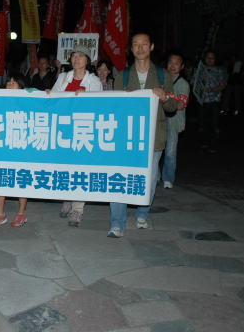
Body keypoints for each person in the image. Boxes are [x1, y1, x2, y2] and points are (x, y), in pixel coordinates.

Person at [109, 32, 177, 238]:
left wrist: (165, 98)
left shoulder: (163, 75)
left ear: (151, 47)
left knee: (150, 178)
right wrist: (123, 100)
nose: (140, 48)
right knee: (119, 177)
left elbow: (172, 107)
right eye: (136, 45)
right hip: (126, 136)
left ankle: (142, 213)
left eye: (144, 44)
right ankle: (117, 223)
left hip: (154, 136)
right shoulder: (123, 76)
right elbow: (113, 107)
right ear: (131, 49)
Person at [51, 43, 103, 227]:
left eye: (81, 56)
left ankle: (78, 209)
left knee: (80, 168)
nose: (76, 58)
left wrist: (86, 95)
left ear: (87, 60)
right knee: (64, 167)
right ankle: (67, 198)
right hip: (64, 129)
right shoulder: (63, 77)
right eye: (74, 55)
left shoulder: (94, 82)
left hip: (83, 130)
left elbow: (99, 106)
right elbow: (53, 100)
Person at [0, 72, 31, 228]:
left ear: (21, 86)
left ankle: (21, 214)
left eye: (14, 82)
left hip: (21, 146)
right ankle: (0, 214)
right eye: (8, 83)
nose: (10, 85)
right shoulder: (0, 99)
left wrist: (44, 93)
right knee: (0, 178)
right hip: (3, 146)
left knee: (21, 178)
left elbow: (37, 93)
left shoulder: (29, 98)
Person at [161, 52, 190, 189]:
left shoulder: (183, 84)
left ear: (182, 66)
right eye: (170, 62)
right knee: (156, 150)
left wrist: (165, 100)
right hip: (159, 120)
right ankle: (154, 176)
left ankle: (168, 178)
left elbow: (181, 104)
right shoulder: (161, 80)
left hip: (173, 121)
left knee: (170, 152)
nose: (173, 66)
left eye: (176, 63)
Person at [198, 50, 226, 154]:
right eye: (208, 57)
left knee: (214, 123)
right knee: (203, 123)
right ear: (205, 59)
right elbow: (195, 83)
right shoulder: (200, 70)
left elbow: (222, 85)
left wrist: (211, 90)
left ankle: (213, 145)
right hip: (203, 101)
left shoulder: (219, 70)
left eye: (212, 58)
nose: (210, 60)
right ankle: (204, 143)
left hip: (215, 100)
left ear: (215, 59)